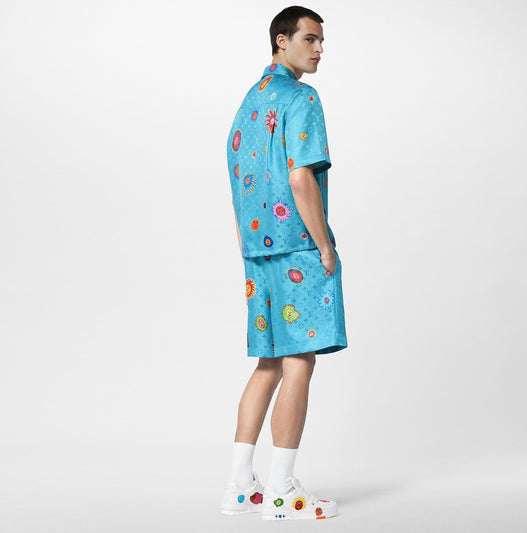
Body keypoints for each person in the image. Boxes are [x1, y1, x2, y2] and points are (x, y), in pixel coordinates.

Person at [221, 6, 347, 521]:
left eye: (321, 41)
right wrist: (324, 246)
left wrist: (247, 246)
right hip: (297, 246)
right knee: (299, 362)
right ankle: (281, 491)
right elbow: (300, 177)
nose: (319, 49)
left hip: (256, 248)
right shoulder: (302, 98)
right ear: (282, 40)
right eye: (310, 39)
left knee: (268, 363)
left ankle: (239, 487)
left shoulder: (249, 102)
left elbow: (236, 180)